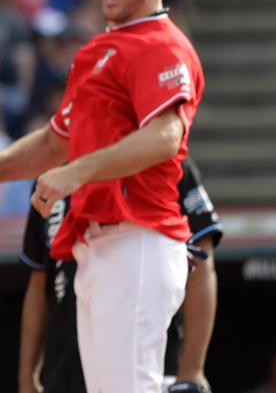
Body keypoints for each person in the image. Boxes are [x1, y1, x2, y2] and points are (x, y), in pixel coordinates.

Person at [0, 0, 205, 392]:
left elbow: (166, 136)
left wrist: (75, 174)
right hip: (95, 244)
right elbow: (55, 141)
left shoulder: (160, 44)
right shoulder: (98, 51)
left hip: (138, 236)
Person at [18, 156, 222, 393]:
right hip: (65, 365)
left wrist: (191, 369)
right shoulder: (51, 178)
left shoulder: (162, 163)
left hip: (151, 361)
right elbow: (39, 281)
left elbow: (202, 265)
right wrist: (26, 377)